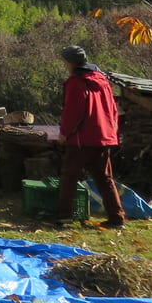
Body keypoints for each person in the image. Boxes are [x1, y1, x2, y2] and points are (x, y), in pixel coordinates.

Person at [57, 45, 126, 229]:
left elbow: (73, 112)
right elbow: (113, 109)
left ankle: (64, 216)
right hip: (104, 137)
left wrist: (65, 133)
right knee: (105, 178)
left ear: (70, 62)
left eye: (64, 60)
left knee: (69, 176)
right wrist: (112, 133)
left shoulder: (76, 81)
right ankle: (117, 218)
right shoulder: (102, 80)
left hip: (82, 138)